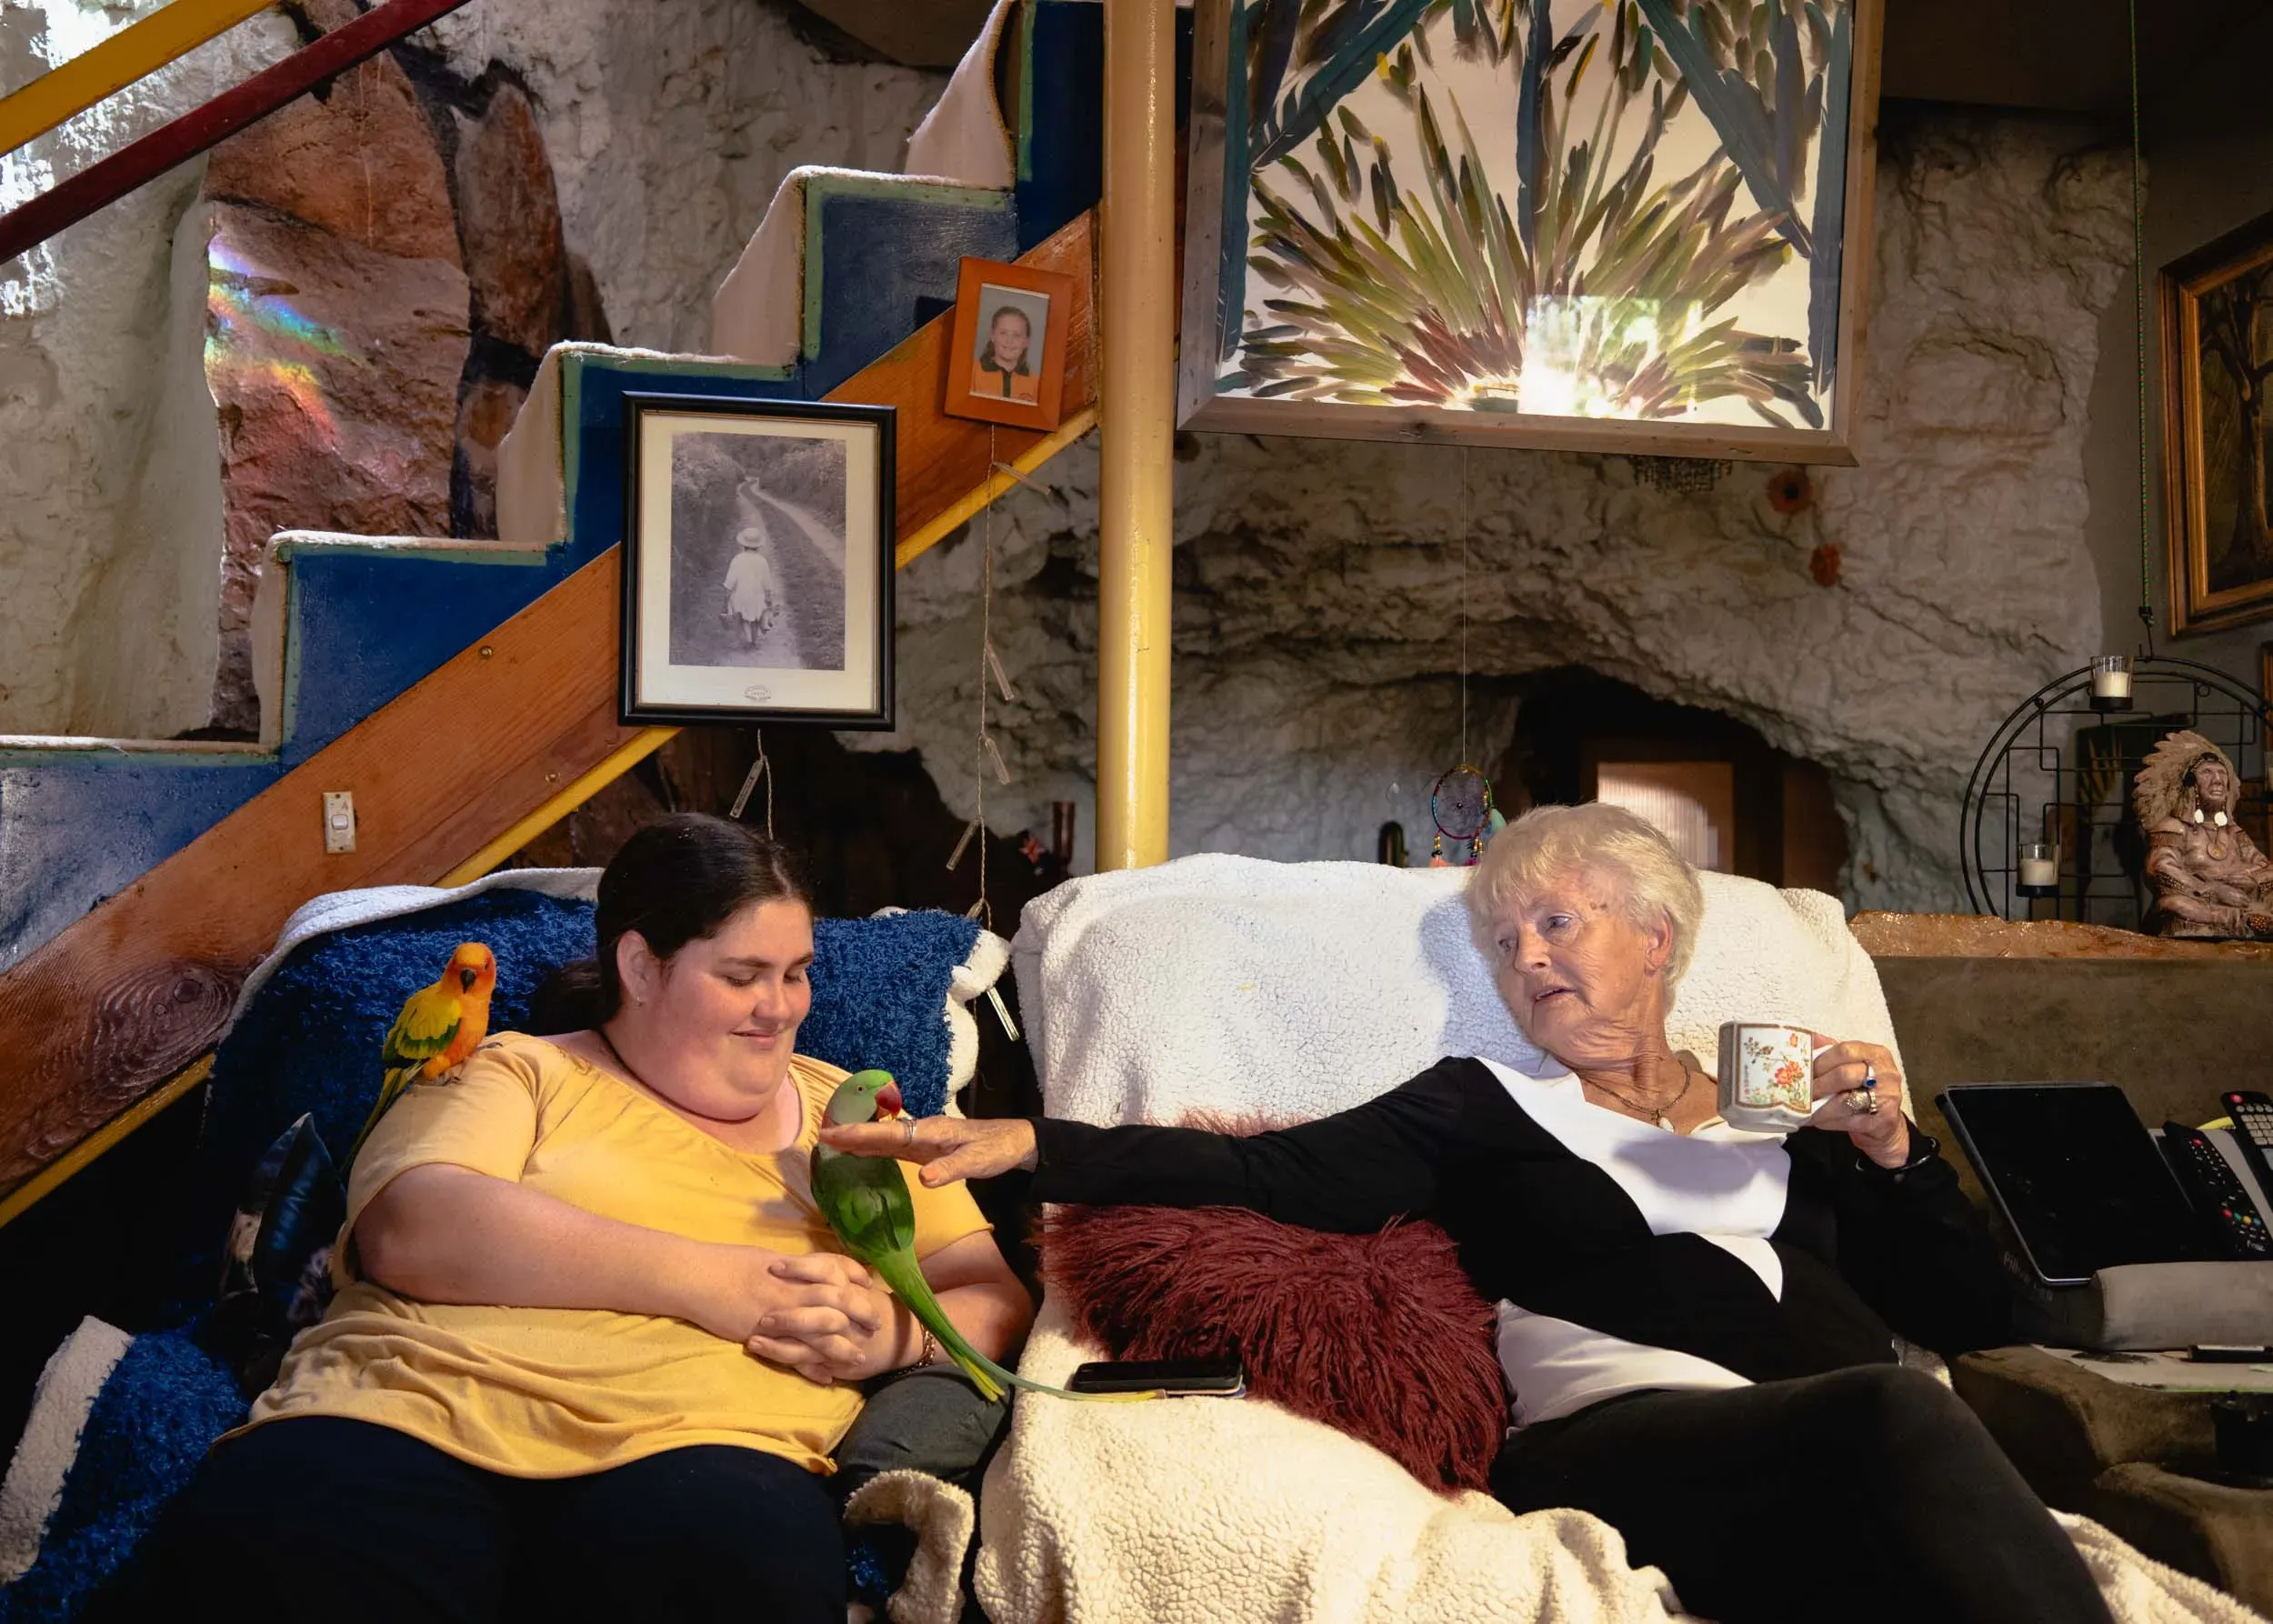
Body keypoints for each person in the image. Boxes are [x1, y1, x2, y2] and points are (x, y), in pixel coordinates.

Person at [824, 803, 2113, 1624]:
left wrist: (1891, 1151)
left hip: (1823, 1435)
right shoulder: (1481, 1102)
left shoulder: (1785, 1107)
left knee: (1902, 1454)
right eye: (1504, 942)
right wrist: (1031, 1139)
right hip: (1620, 1441)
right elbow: (1268, 1176)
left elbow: (1973, 1311)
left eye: (1557, 922)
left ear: (1656, 938)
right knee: (1900, 1414)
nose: (1527, 957)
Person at [127, 815, 1033, 1624]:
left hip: (706, 1453)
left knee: (733, 1566)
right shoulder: (518, 1070)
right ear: (639, 966)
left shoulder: (857, 1115)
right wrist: (721, 1283)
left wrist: (895, 1334)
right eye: (743, 975)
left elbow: (994, 1296)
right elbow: (413, 1226)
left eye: (797, 973)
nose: (783, 1005)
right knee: (290, 1544)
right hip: (410, 1411)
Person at [722, 524, 779, 647]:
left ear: (743, 545)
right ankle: (753, 640)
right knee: (756, 618)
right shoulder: (762, 561)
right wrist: (768, 596)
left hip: (741, 595)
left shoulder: (737, 559)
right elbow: (767, 582)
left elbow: (730, 581)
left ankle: (748, 638)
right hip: (757, 596)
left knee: (744, 618)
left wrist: (727, 596)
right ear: (758, 546)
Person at [971, 304, 1038, 401]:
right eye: (1003, 333)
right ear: (993, 336)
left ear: (1026, 342)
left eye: (1017, 335)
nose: (1009, 341)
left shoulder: (1036, 384)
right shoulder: (972, 373)